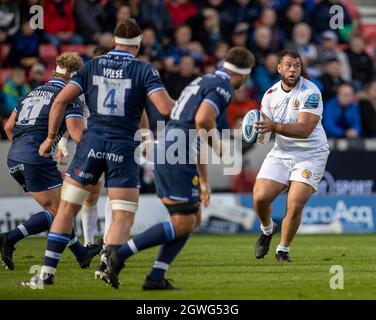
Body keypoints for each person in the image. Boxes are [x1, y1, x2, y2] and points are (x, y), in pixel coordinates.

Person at [28, 19, 174, 286]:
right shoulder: (144, 69)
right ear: (138, 42)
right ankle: (106, 264)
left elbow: (60, 100)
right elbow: (164, 108)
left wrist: (51, 139)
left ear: (115, 40)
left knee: (67, 210)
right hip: (122, 146)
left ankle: (46, 273)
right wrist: (188, 107)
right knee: (123, 214)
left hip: (91, 143)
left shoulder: (92, 65)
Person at [102, 46, 255, 290]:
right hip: (177, 149)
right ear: (245, 74)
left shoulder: (204, 79)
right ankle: (120, 254)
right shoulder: (223, 86)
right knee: (183, 221)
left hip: (175, 146)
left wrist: (203, 180)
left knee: (192, 218)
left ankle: (155, 278)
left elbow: (197, 135)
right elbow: (203, 121)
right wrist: (220, 147)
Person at [0, 52, 101, 271]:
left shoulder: (32, 92)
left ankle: (81, 254)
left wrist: (22, 150)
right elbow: (77, 134)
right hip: (37, 157)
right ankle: (9, 238)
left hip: (14, 156)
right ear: (75, 74)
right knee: (61, 212)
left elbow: (8, 127)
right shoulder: (68, 96)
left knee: (58, 209)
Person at [253, 50, 330, 262]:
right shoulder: (269, 95)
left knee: (294, 203)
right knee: (260, 198)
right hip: (282, 151)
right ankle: (268, 230)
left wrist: (273, 126)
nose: (292, 69)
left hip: (311, 153)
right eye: (288, 65)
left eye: (296, 65)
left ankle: (282, 251)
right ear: (279, 68)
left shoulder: (311, 92)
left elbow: (304, 130)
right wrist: (254, 132)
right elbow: (264, 128)